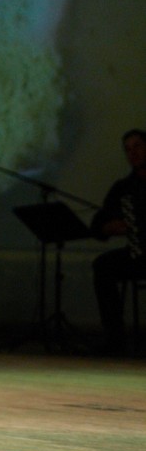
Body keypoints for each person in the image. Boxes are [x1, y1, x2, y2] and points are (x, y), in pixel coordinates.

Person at [90, 129, 146, 353]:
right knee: (102, 266)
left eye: (138, 146)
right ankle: (115, 339)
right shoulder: (123, 188)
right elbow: (97, 224)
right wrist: (108, 227)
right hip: (138, 254)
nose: (133, 153)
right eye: (128, 149)